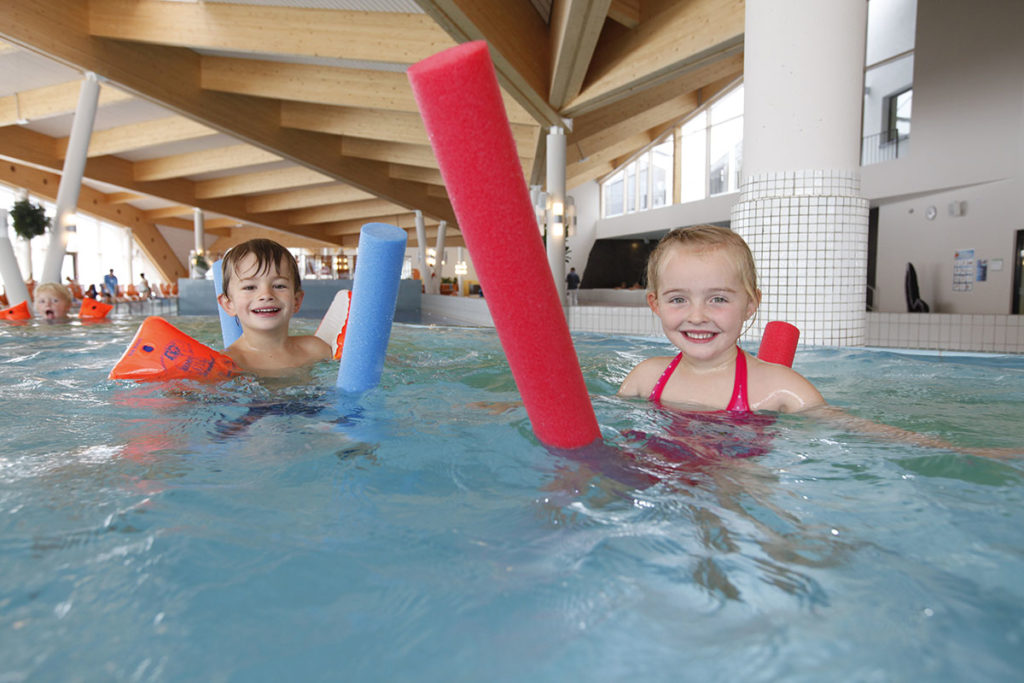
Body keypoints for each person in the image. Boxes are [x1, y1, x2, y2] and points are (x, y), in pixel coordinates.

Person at [619, 225, 822, 413]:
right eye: (678, 299)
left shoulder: (782, 388)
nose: (697, 317)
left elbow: (844, 434)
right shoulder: (644, 380)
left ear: (750, 304)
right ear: (656, 305)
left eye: (718, 299)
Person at [217, 238, 332, 377]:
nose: (266, 295)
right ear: (229, 304)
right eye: (250, 287)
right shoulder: (226, 364)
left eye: (279, 286)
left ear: (296, 301)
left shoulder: (316, 351)